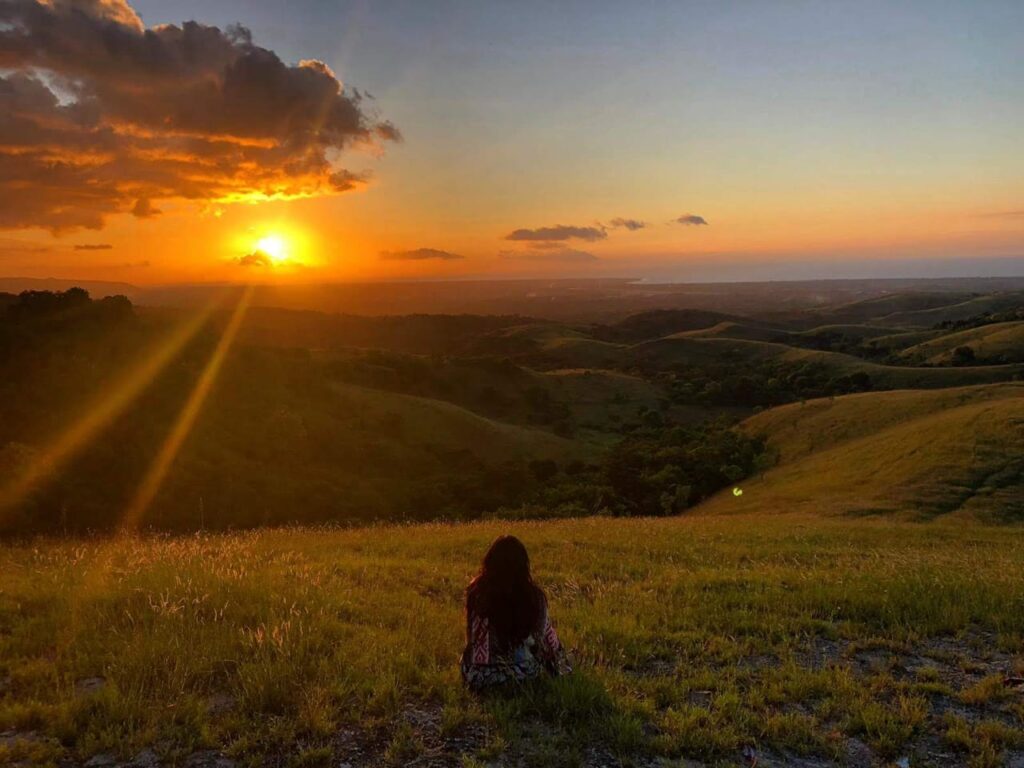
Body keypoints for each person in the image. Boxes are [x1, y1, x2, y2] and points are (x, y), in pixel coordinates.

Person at [460, 535, 570, 691]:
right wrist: (562, 663)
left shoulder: (477, 593)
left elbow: (472, 639)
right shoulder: (534, 597)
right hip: (523, 677)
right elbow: (545, 638)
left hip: (479, 678)